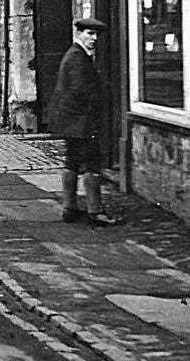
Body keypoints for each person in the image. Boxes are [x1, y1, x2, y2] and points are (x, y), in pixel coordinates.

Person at [49, 17, 120, 227]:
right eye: (89, 33)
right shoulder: (77, 57)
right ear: (78, 34)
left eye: (96, 34)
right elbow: (82, 90)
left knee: (72, 161)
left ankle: (70, 208)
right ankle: (95, 212)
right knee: (92, 164)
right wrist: (101, 101)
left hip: (71, 120)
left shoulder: (75, 54)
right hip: (82, 120)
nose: (94, 38)